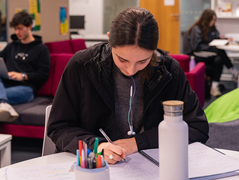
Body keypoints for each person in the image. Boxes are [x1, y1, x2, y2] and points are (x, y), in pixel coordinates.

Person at [47, 7, 209, 164]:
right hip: (92, 166)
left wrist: (139, 142)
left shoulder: (169, 71)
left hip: (148, 166)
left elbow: (197, 127)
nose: (131, 70)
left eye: (142, 61)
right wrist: (98, 146)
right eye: (122, 60)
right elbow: (59, 127)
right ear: (110, 39)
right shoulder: (82, 65)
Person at [0, 12, 50, 133]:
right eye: (15, 29)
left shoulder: (41, 49)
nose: (17, 32)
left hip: (26, 89)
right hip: (7, 84)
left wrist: (23, 76)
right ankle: (2, 104)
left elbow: (44, 75)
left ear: (30, 26)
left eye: (20, 28)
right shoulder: (12, 46)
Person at [185, 9, 239, 97]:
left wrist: (225, 39)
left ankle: (214, 87)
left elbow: (217, 38)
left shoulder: (212, 29)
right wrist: (211, 46)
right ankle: (235, 73)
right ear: (207, 19)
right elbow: (196, 47)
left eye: (215, 20)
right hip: (199, 54)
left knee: (219, 59)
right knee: (220, 51)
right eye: (212, 19)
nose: (213, 22)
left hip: (210, 54)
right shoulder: (196, 29)